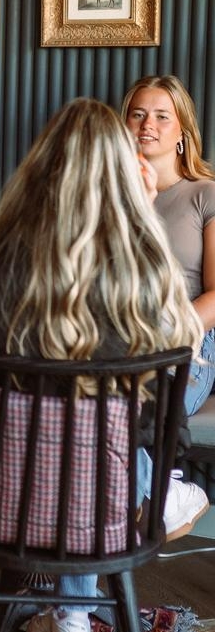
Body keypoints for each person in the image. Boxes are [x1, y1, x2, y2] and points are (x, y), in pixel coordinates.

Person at [0, 99, 208, 632]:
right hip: (101, 513)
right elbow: (155, 423)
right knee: (146, 466)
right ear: (125, 177)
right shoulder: (141, 282)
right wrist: (144, 218)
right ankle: (73, 612)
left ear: (37, 167)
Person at [123, 75, 215, 415]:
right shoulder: (110, 199)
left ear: (182, 131)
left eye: (162, 116)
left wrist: (162, 338)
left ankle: (162, 470)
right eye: (137, 114)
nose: (148, 124)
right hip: (120, 333)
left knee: (142, 412)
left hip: (188, 336)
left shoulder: (206, 194)